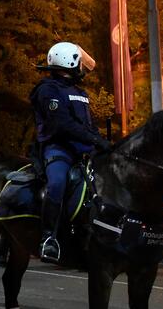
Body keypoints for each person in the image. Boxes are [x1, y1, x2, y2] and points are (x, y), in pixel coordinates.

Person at [31, 41, 111, 264]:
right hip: (58, 150)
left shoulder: (79, 92)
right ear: (69, 62)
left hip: (84, 151)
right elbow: (62, 125)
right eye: (79, 61)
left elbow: (87, 124)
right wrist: (93, 139)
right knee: (57, 183)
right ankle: (49, 238)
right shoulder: (48, 90)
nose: (82, 68)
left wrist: (102, 142)